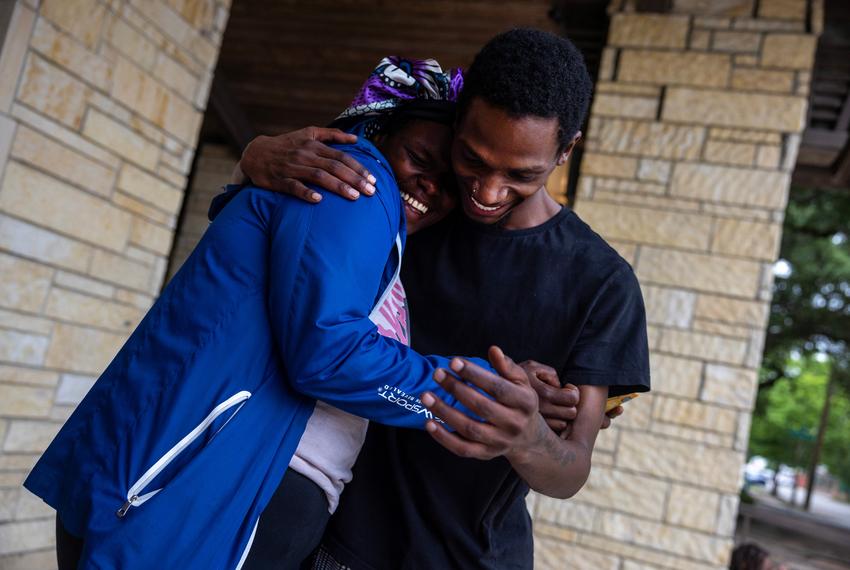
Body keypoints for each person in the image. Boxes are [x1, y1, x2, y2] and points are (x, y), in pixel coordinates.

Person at [23, 57, 584, 570]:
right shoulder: (357, 183)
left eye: (450, 178)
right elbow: (328, 351)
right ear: (377, 130)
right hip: (185, 491)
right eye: (420, 158)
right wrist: (477, 397)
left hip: (230, 495)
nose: (433, 187)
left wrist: (514, 386)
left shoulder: (393, 240)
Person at [235, 28, 651, 569]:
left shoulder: (602, 283)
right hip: (338, 541)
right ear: (458, 124)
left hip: (471, 558)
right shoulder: (412, 212)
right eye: (472, 160)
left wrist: (527, 437)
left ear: (566, 149)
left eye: (520, 175)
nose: (488, 191)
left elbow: (571, 469)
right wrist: (254, 154)